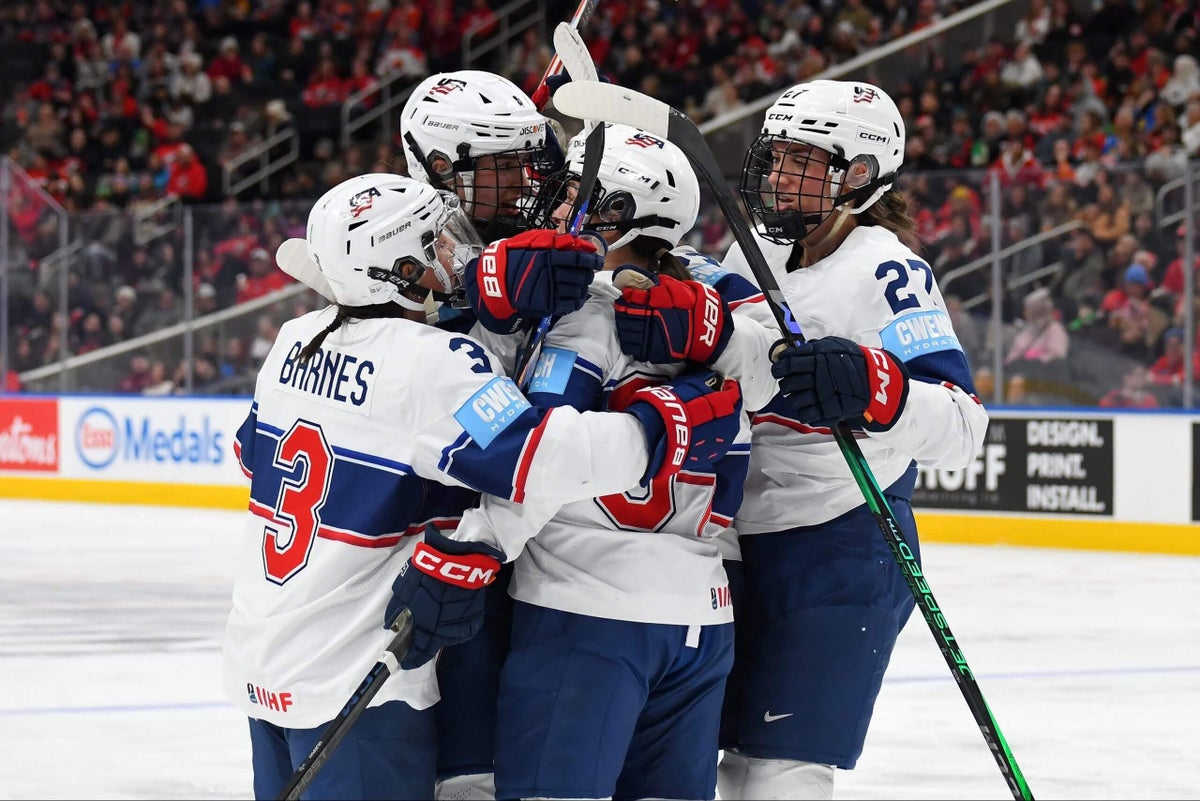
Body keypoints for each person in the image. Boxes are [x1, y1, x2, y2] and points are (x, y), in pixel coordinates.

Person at [222, 173, 743, 801]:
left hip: (263, 653)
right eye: (436, 244)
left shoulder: (293, 339)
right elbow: (542, 459)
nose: (456, 254)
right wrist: (664, 426)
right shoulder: (432, 364)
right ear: (400, 267)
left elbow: (249, 455)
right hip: (358, 673)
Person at [612, 79, 989, 798]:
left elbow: (962, 424)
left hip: (840, 542)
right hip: (740, 540)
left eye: (802, 161)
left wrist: (878, 388)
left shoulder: (889, 272)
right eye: (776, 158)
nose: (779, 176)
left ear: (859, 174)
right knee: (725, 765)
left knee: (779, 772)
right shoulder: (752, 249)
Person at [482, 124, 750, 801]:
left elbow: (541, 455)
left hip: (585, 614)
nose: (561, 203)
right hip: (700, 620)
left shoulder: (583, 315)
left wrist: (477, 547)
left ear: (619, 212)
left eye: (578, 191)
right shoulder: (717, 328)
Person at [399, 68, 596, 800]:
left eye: (528, 160)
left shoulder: (524, 233)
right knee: (445, 768)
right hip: (424, 542)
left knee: (500, 767)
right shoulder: (389, 235)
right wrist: (476, 288)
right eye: (504, 164)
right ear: (443, 169)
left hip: (517, 539)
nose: (525, 180)